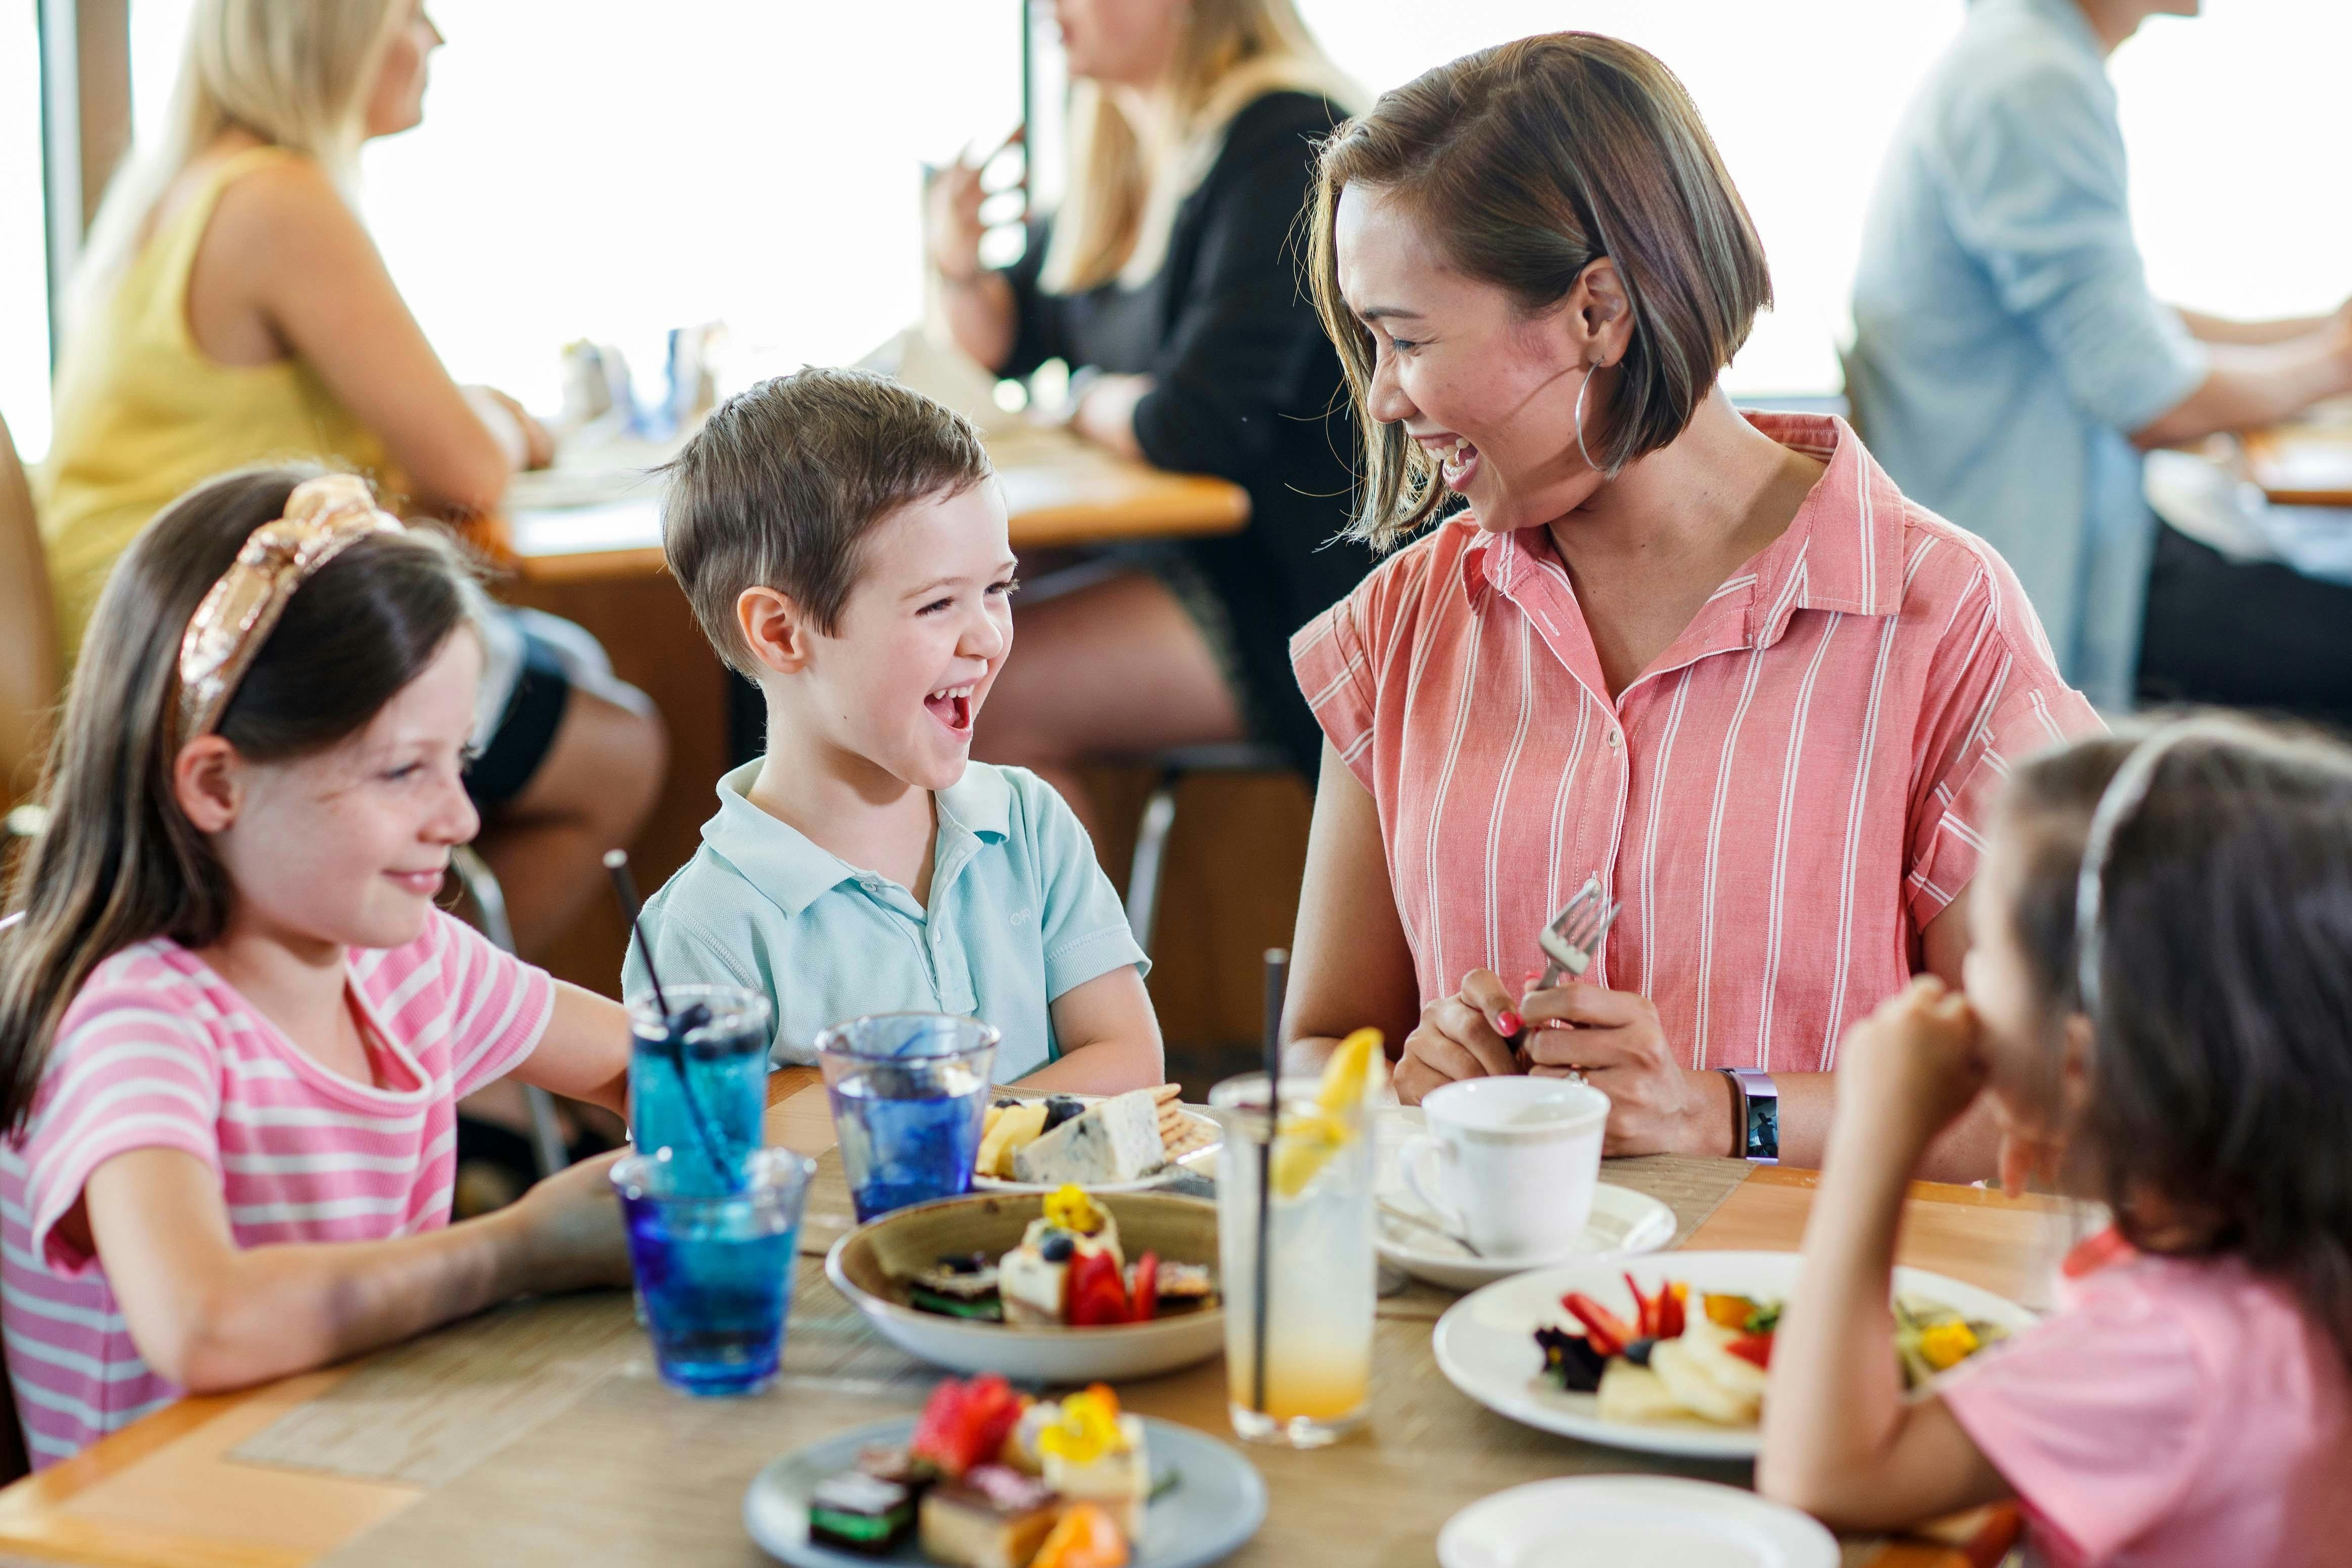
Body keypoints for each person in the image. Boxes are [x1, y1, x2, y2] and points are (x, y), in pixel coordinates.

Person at [1279, 34, 2103, 1177]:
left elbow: (2051, 1094)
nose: (1379, 396)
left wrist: (1726, 1115)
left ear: (1596, 313)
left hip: (1784, 1332)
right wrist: (1407, 1085)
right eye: (1369, 341)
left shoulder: (1936, 619)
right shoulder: (1400, 632)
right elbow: (1318, 1050)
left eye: (1406, 339)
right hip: (1471, 1325)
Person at [0, 469, 638, 1469]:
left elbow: (643, 1066)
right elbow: (201, 1322)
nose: (461, 819)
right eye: (401, 771)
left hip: (363, 1472)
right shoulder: (135, 1018)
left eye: (457, 761)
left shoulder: (404, 958)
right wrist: (519, 1249)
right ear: (218, 783)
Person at [36, 0, 666, 959]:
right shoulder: (276, 199)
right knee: (620, 747)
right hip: (218, 639)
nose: (436, 39)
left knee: (562, 660)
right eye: (410, 12)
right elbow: (463, 461)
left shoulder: (183, 189)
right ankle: (435, 1055)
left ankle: (439, 1052)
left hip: (141, 624)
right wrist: (506, 421)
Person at [1759, 717, 2352, 1563]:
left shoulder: (2171, 1348)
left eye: (1985, 952)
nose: (1960, 980)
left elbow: (1827, 1477)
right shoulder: (2290, 1271)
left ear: (2077, 1065)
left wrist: (1871, 1141)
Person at [625, 370, 1161, 1090]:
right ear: (782, 633)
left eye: (997, 590)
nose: (987, 637)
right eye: (938, 604)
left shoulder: (1029, 825)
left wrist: (932, 1135)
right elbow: (719, 1165)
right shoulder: (702, 931)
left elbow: (1129, 1060)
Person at [926, 0, 1373, 836]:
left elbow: (1196, 420)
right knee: (933, 662)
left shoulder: (1288, 138)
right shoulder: (1130, 149)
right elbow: (1008, 341)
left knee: (969, 695)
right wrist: (956, 267)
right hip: (1187, 561)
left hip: (1297, 590)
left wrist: (1082, 398)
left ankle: (1075, 973)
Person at [1849, 0, 2352, 721]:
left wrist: (2321, 338)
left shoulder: (2016, 55)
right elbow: (2151, 399)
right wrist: (2334, 365)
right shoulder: (2033, 84)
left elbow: (2124, 325)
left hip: (2069, 521)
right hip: (2028, 575)